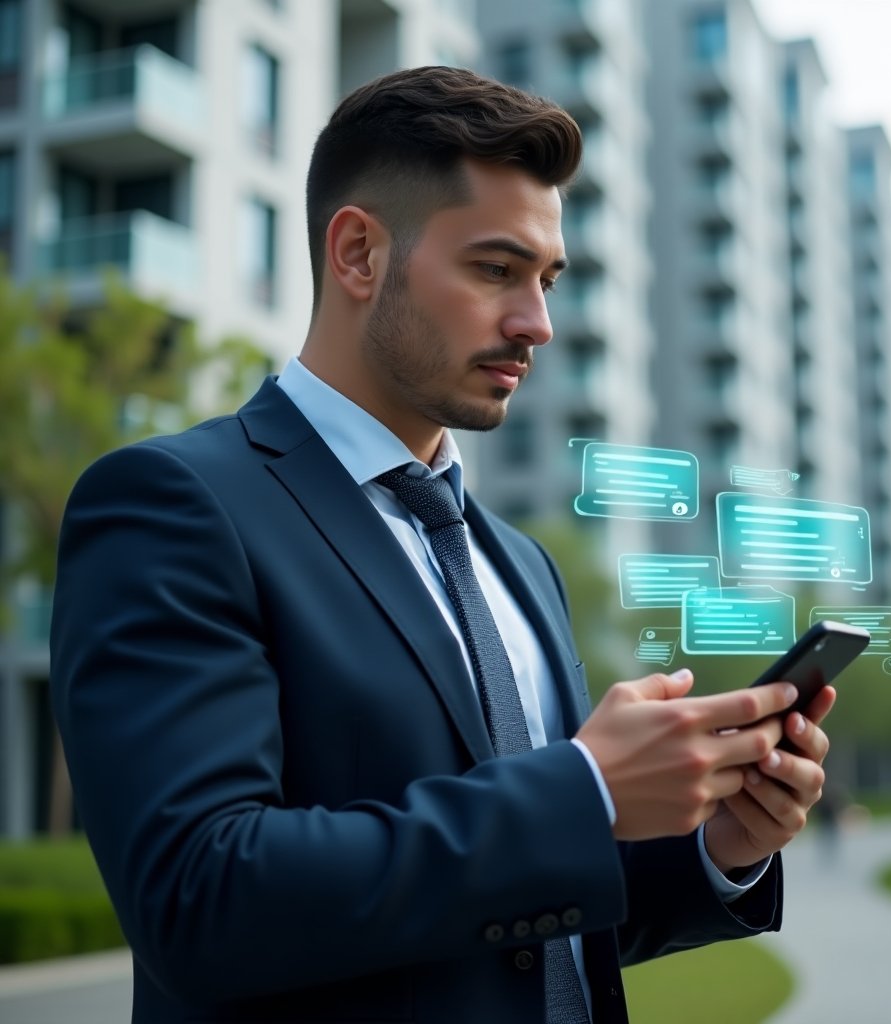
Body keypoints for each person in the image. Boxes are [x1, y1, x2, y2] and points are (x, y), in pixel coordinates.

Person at [49, 66, 835, 1024]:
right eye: (496, 269)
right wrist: (583, 791)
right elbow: (199, 901)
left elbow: (533, 926)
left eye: (545, 280)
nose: (536, 324)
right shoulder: (174, 505)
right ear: (358, 255)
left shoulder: (521, 564)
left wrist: (717, 849)